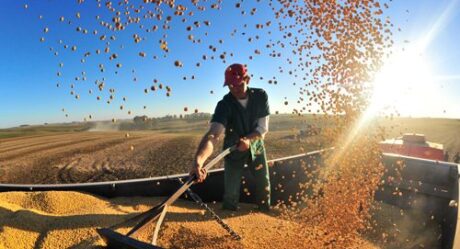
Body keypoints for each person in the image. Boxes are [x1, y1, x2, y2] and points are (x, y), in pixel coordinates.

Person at [189, 63, 271, 211]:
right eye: (230, 86)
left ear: (247, 80)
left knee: (263, 182)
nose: (234, 89)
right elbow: (213, 135)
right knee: (231, 188)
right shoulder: (224, 104)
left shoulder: (260, 96)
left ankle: (265, 211)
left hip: (256, 145)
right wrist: (198, 161)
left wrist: (248, 140)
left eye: (238, 85)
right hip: (233, 149)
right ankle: (229, 211)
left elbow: (262, 129)